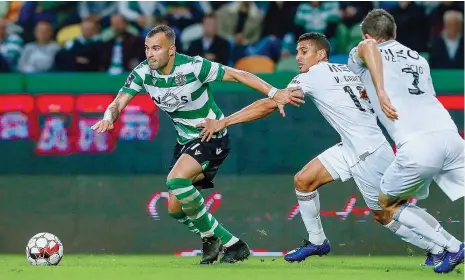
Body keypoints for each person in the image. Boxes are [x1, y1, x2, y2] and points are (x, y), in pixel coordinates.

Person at [196, 32, 446, 265]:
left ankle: (443, 247)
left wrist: (224, 121)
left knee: (388, 212)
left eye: (304, 51)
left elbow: (272, 102)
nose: (298, 57)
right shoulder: (347, 70)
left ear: (321, 55)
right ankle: (317, 241)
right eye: (297, 51)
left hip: (368, 150)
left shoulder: (313, 76)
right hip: (353, 145)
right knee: (304, 181)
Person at [91, 25, 304, 264]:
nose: (150, 54)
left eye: (156, 48)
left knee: (176, 181)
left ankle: (222, 240)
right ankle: (223, 240)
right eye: (147, 48)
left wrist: (275, 92)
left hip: (210, 135)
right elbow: (118, 102)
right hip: (184, 142)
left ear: (171, 50)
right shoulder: (143, 73)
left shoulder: (194, 66)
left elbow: (237, 74)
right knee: (174, 209)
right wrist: (109, 118)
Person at [347, 9, 464, 273]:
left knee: (387, 204)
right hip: (451, 136)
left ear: (368, 35)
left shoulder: (366, 47)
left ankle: (453, 246)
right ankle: (437, 252)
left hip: (418, 144)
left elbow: (368, 49)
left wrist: (379, 90)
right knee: (409, 199)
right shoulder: (419, 59)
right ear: (394, 32)